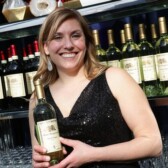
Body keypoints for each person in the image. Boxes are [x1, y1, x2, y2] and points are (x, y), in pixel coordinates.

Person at [28, 7, 162, 168]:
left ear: (86, 41)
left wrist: (92, 154)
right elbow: (42, 156)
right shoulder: (38, 99)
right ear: (46, 48)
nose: (68, 45)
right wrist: (38, 163)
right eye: (57, 37)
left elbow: (153, 144)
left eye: (75, 36)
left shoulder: (115, 78)